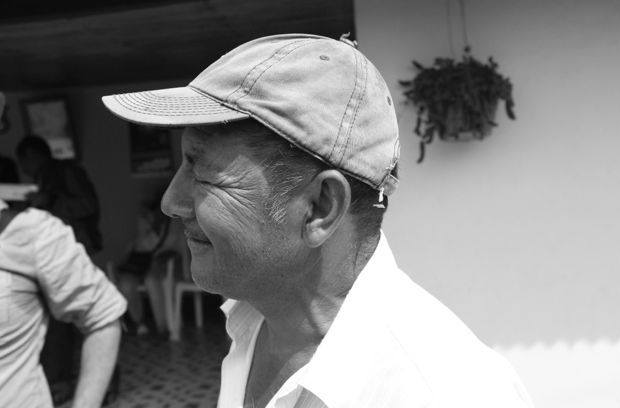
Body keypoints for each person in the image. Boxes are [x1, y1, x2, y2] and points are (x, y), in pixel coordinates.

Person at [102, 34, 534, 407]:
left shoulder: (445, 392)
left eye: (203, 173)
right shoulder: (255, 322)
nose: (170, 202)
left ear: (320, 207)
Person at [0, 170, 126, 407]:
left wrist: (51, 201)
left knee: (62, 330)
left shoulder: (65, 177)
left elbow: (103, 317)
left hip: (68, 257)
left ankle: (65, 382)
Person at [15, 134, 105, 403]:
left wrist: (49, 201)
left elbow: (88, 204)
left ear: (32, 155)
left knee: (89, 318)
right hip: (55, 255)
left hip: (74, 252)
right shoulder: (44, 176)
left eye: (23, 161)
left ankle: (102, 384)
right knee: (63, 320)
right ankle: (64, 382)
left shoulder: (66, 171)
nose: (23, 167)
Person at [116, 199, 180, 338]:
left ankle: (162, 327)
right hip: (137, 263)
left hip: (156, 264)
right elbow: (139, 244)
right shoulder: (144, 221)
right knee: (126, 284)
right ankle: (139, 323)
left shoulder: (172, 225)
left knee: (152, 281)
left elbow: (173, 246)